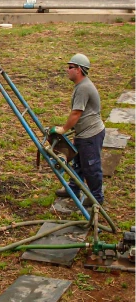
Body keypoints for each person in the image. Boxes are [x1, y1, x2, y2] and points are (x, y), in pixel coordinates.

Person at [52, 53, 106, 206]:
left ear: (79, 70)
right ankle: (74, 189)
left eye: (70, 67)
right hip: (83, 133)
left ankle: (96, 197)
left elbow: (76, 113)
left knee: (90, 166)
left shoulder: (84, 88)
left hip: (91, 134)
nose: (67, 70)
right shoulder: (81, 86)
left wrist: (63, 129)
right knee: (78, 163)